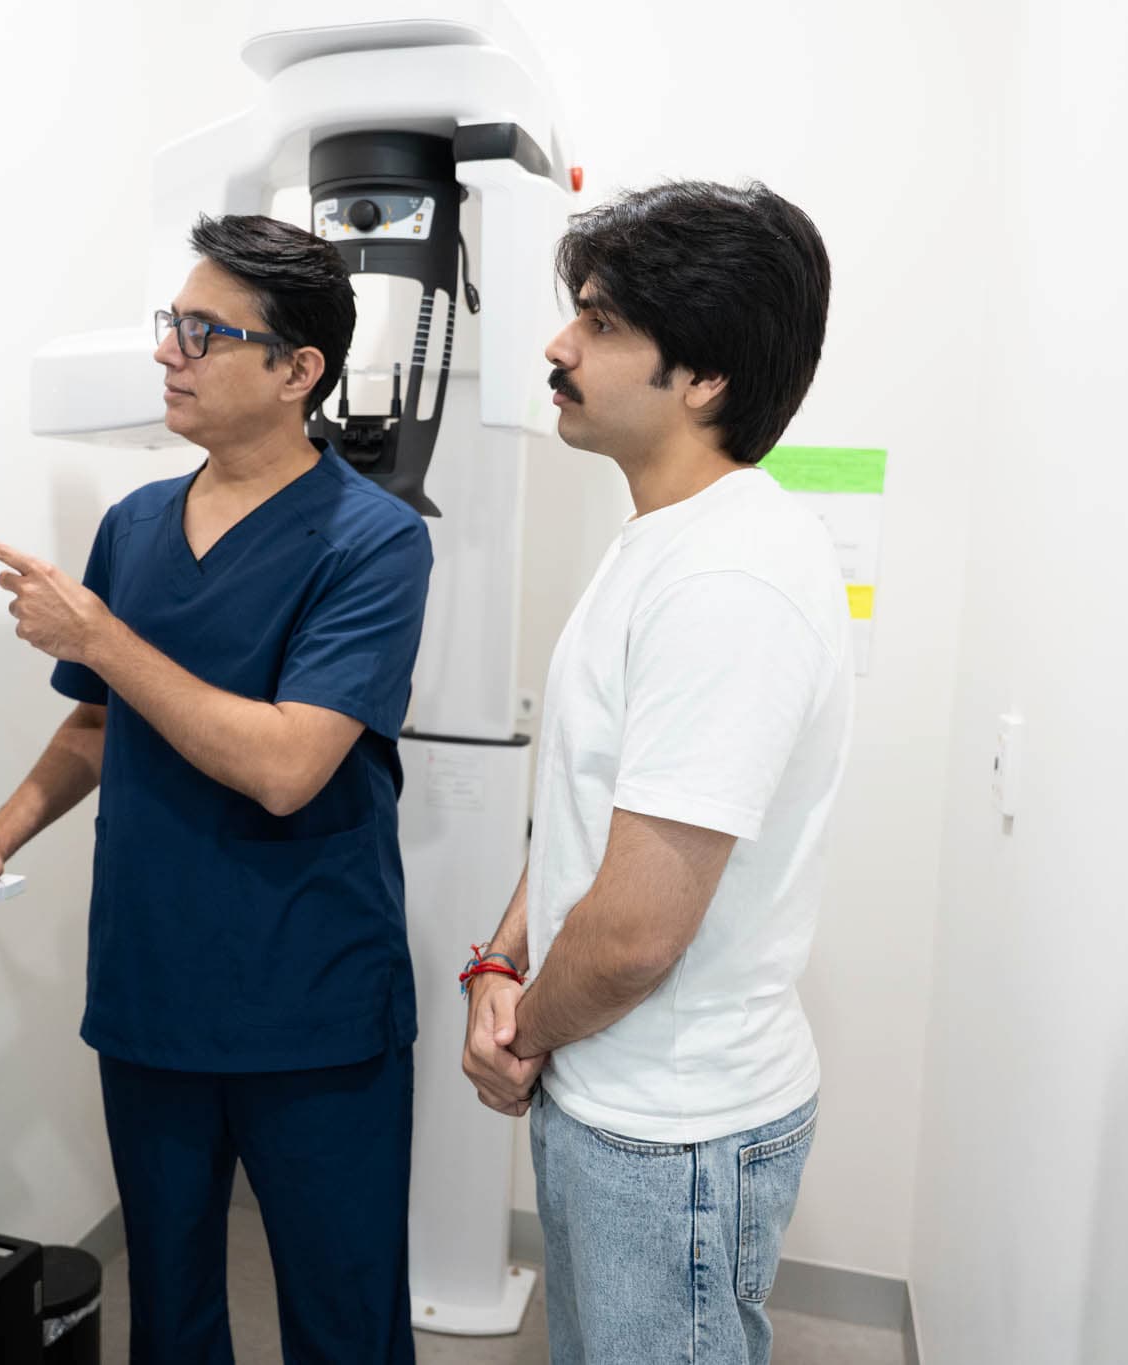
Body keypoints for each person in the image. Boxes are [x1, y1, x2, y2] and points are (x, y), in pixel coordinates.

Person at [0, 213, 431, 1364]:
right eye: (169, 324)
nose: (167, 352)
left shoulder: (372, 541)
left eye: (204, 331)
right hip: (152, 995)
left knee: (344, 1323)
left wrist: (103, 635)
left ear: (298, 372)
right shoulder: (134, 527)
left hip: (312, 1005)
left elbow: (288, 766)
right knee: (171, 1314)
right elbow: (96, 720)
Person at [458, 180, 849, 1365]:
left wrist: (521, 1032)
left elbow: (632, 933)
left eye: (599, 322)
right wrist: (501, 955)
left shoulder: (726, 580)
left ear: (704, 376)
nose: (556, 345)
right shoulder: (659, 542)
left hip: (671, 1134)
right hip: (612, 1093)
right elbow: (588, 810)